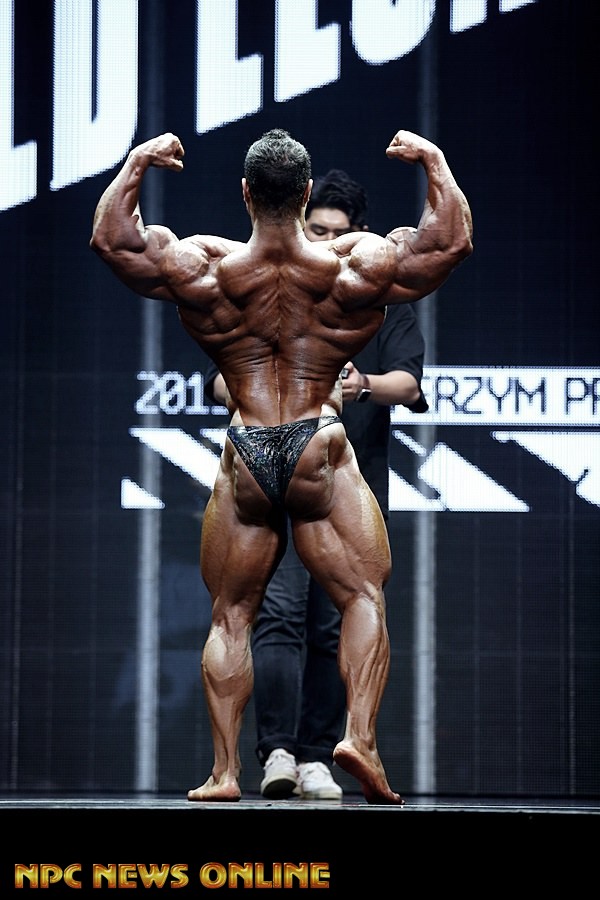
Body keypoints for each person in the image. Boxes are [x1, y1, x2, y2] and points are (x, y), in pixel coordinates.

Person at [90, 127, 472, 804]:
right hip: (315, 440)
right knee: (361, 596)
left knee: (232, 614)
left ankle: (224, 772)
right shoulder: (351, 266)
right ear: (305, 193)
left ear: (245, 193)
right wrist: (434, 162)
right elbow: (448, 242)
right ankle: (360, 739)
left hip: (248, 447)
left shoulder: (206, 267)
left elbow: (113, 241)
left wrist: (138, 163)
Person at [204, 168, 429, 801]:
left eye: (337, 232)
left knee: (336, 620)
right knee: (273, 615)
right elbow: (219, 380)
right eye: (317, 229)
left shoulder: (376, 291)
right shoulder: (271, 282)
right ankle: (277, 751)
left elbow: (409, 382)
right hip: (284, 467)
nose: (326, 240)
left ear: (358, 234)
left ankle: (315, 755)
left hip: (348, 476)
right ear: (301, 219)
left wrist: (362, 385)